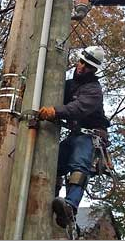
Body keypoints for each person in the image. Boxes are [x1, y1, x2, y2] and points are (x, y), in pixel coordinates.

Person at [38, 46, 110, 228]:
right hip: (74, 135)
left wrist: (55, 111)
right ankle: (52, 201)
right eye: (81, 62)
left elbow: (77, 108)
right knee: (53, 165)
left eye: (87, 66)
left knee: (78, 167)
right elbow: (51, 90)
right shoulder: (70, 85)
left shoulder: (94, 90)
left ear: (94, 70)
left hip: (90, 136)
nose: (81, 67)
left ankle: (70, 207)